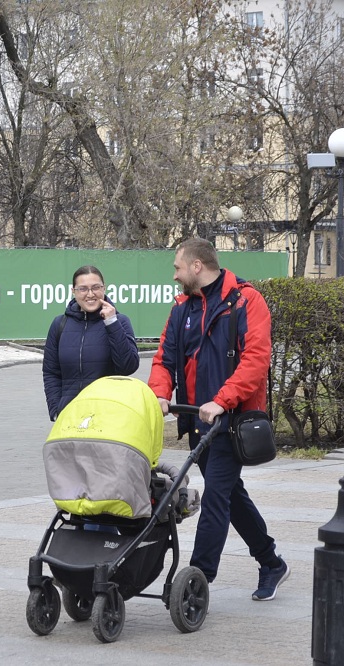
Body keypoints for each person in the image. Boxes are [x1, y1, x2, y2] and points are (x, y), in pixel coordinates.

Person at [148, 237, 289, 601]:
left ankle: (197, 580)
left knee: (215, 499)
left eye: (178, 268)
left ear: (197, 266)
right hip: (198, 422)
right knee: (230, 496)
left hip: (230, 421)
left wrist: (222, 401)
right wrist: (160, 393)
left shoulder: (246, 301)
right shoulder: (182, 308)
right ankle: (271, 561)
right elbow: (164, 357)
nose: (174, 276)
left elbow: (256, 361)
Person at [42, 265, 140, 421]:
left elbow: (128, 366)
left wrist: (111, 323)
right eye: (83, 289)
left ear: (104, 288)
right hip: (69, 416)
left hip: (108, 416)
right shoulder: (59, 324)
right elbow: (51, 372)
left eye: (96, 288)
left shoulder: (120, 321)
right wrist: (55, 409)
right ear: (73, 291)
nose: (90, 294)